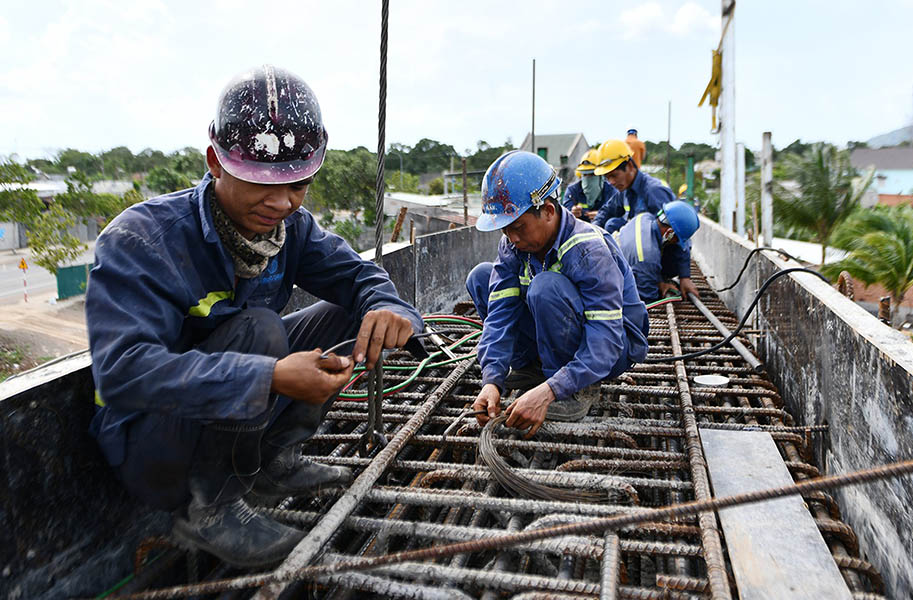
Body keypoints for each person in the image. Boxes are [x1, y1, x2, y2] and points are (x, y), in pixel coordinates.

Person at [86, 65, 424, 568]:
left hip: (231, 416)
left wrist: (389, 307)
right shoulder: (142, 240)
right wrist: (268, 377)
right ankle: (213, 508)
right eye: (261, 183)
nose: (282, 202)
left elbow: (358, 276)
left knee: (349, 313)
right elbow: (124, 371)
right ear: (215, 163)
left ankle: (271, 463)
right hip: (154, 446)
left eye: (299, 185)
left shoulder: (290, 228)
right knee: (260, 331)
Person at [466, 151, 649, 437]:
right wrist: (492, 379)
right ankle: (532, 369)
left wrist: (552, 390)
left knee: (545, 287)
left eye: (518, 227)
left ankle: (575, 388)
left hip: (611, 347)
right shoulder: (514, 245)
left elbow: (606, 336)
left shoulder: (588, 251)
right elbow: (500, 316)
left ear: (549, 211)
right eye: (505, 230)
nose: (512, 238)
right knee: (481, 276)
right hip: (568, 333)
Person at [614, 200, 701, 302]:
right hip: (610, 281)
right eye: (676, 239)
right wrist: (656, 291)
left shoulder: (644, 217)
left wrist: (682, 277)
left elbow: (682, 247)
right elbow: (646, 300)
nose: (675, 242)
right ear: (669, 233)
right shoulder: (647, 257)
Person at [592, 139, 678, 234]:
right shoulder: (623, 190)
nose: (611, 182)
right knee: (612, 224)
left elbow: (669, 233)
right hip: (641, 241)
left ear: (630, 166)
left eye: (614, 175)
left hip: (659, 245)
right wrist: (593, 230)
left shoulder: (654, 191)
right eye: (607, 177)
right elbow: (607, 211)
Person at [561, 149, 617, 223]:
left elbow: (617, 213)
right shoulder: (572, 191)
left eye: (592, 174)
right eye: (584, 175)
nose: (588, 179)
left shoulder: (612, 192)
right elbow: (564, 216)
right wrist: (571, 212)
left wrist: (602, 216)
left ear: (602, 176)